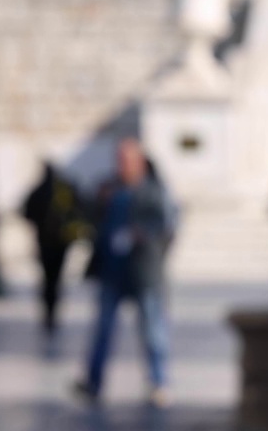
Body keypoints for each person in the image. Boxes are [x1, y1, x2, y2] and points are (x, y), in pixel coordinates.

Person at [75, 138, 178, 408]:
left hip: (144, 272)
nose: (122, 165)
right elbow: (91, 218)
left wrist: (139, 236)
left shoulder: (154, 190)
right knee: (103, 330)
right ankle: (93, 383)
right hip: (112, 272)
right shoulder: (109, 188)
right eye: (119, 160)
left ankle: (158, 381)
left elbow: (166, 225)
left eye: (127, 160)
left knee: (153, 330)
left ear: (140, 162)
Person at [20, 161, 88, 336]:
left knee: (48, 280)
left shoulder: (42, 190)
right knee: (55, 280)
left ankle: (49, 313)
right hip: (60, 243)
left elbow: (26, 212)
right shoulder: (63, 190)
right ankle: (53, 313)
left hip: (47, 242)